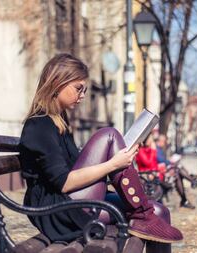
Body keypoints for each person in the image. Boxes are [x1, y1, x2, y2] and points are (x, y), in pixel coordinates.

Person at [18, 54, 182, 244]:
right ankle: (142, 213)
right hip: (57, 211)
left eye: (85, 90)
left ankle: (144, 213)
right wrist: (113, 165)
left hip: (74, 202)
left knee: (160, 211)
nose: (83, 95)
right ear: (56, 82)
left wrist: (118, 162)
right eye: (78, 88)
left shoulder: (60, 123)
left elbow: (75, 170)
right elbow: (65, 182)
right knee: (109, 135)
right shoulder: (39, 125)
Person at [156, 134, 197, 209]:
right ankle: (191, 180)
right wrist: (169, 162)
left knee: (178, 173)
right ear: (161, 141)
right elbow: (160, 160)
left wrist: (169, 162)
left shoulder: (158, 149)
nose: (165, 143)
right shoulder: (156, 149)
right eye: (165, 141)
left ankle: (185, 198)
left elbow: (161, 161)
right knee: (178, 170)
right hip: (159, 173)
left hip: (162, 171)